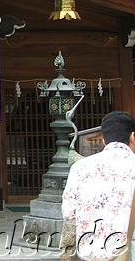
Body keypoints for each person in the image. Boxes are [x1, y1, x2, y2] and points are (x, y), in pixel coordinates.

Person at [62, 111, 135, 261]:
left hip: (91, 253)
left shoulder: (80, 168)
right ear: (133, 137)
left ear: (104, 140)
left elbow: (69, 214)